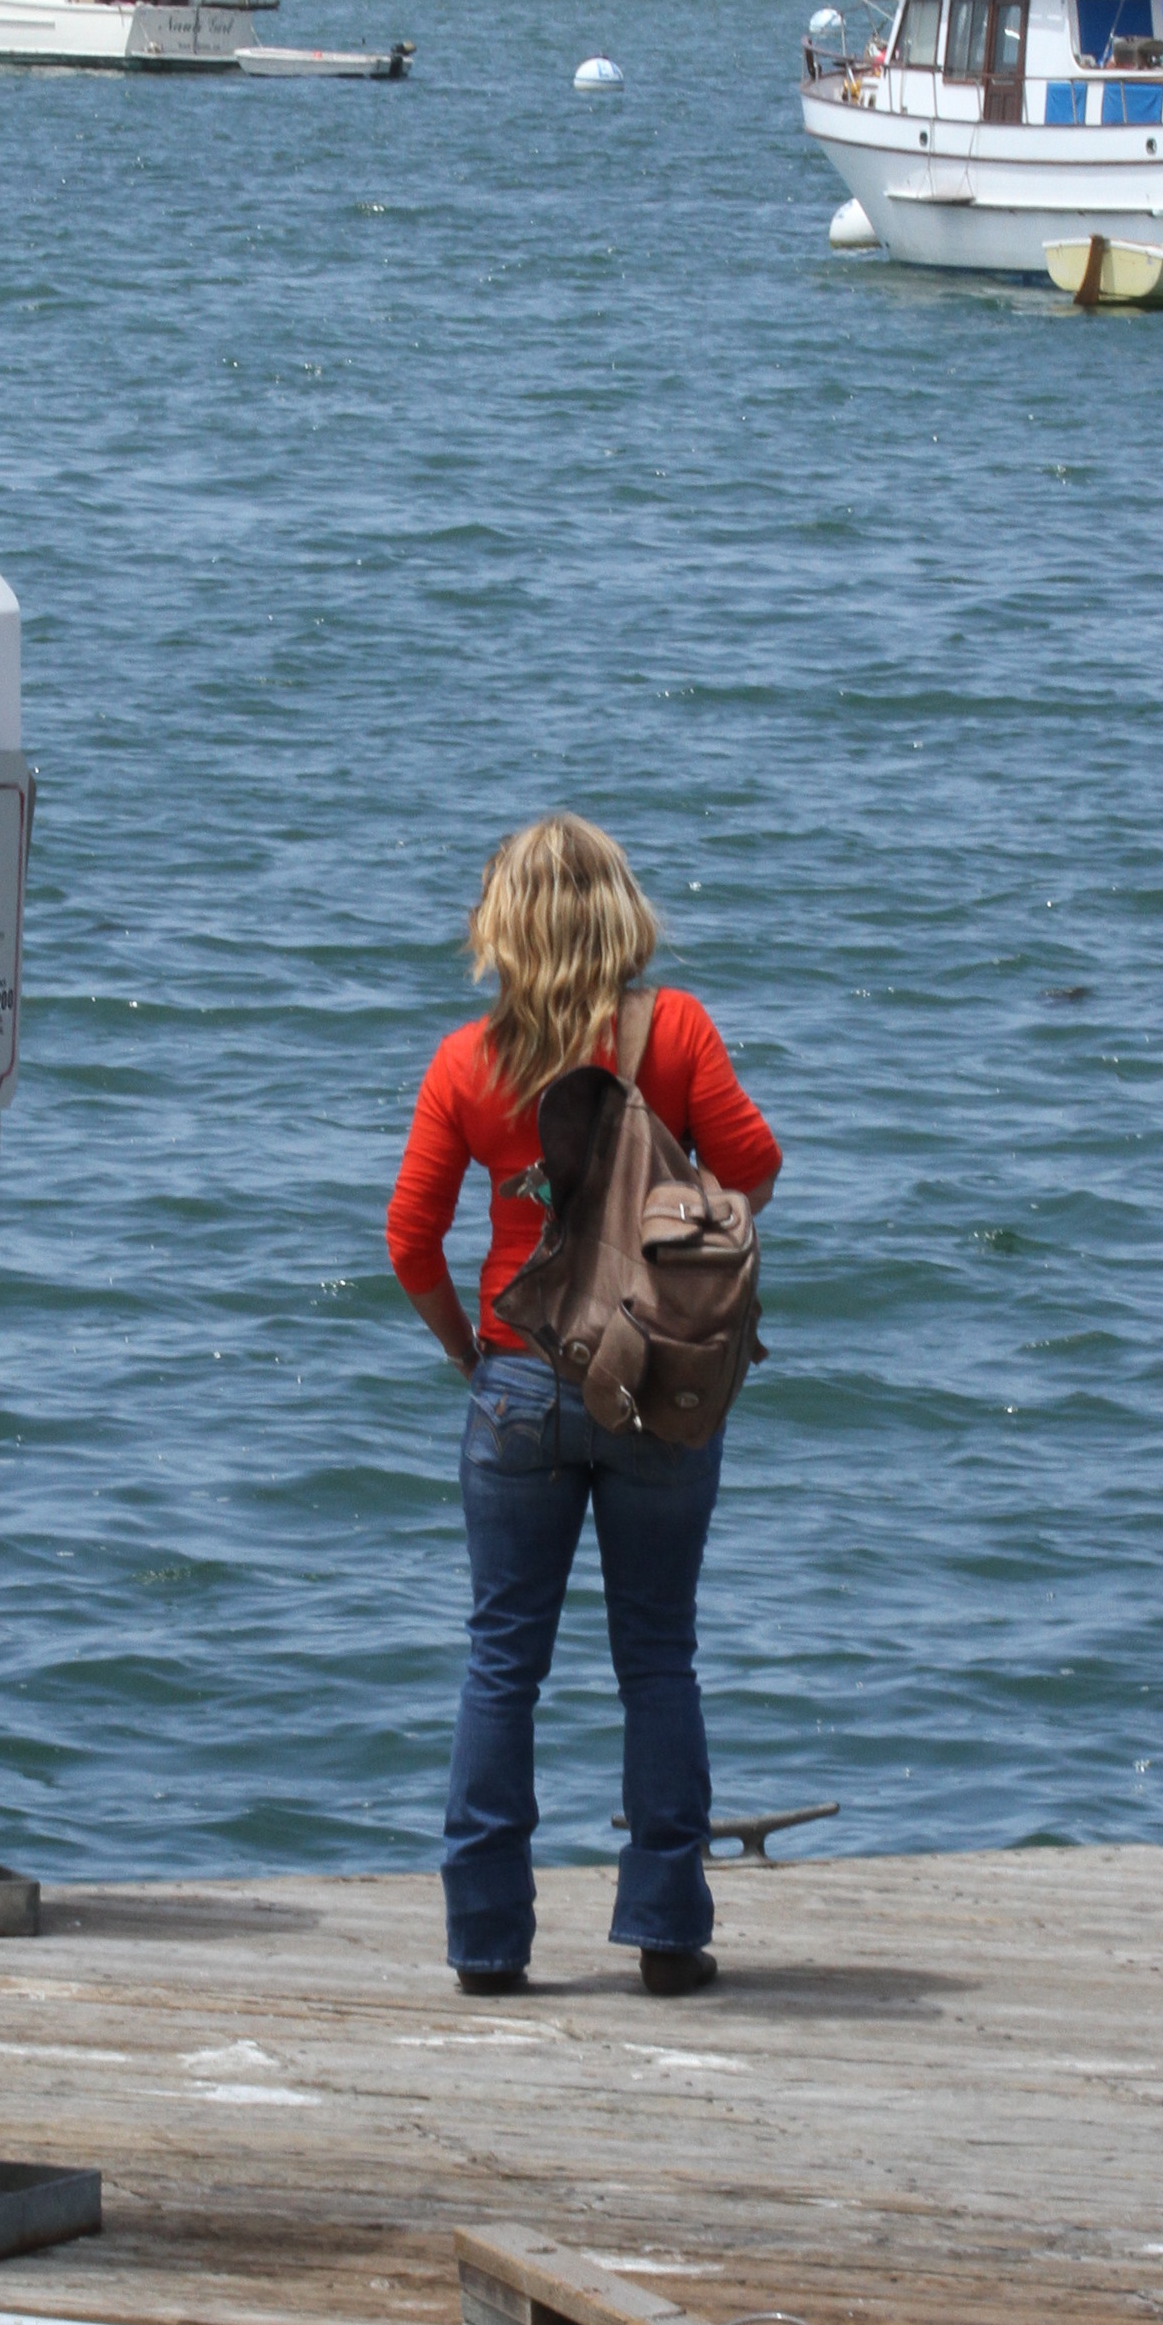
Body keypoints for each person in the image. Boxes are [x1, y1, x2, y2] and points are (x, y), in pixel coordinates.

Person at [386, 815, 781, 1999]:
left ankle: (488, 1945)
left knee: (502, 1660)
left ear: (504, 925)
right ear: (621, 915)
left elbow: (411, 1239)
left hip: (518, 1379)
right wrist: (668, 1242)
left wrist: (476, 1351)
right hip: (654, 1380)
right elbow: (753, 1164)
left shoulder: (470, 1059)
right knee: (658, 1657)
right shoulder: (676, 1033)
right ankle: (665, 1932)